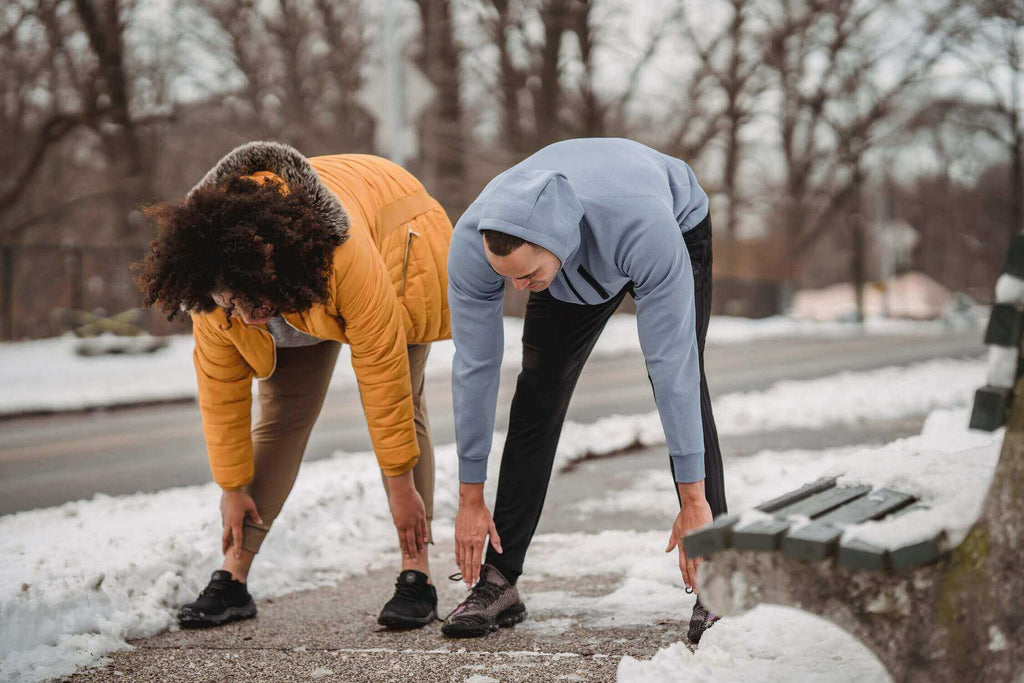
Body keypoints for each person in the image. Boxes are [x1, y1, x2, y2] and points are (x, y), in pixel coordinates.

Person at [134, 141, 452, 630]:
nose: (244, 319)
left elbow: (382, 377)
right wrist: (232, 487)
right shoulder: (211, 287)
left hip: (396, 236)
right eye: (231, 306)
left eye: (251, 304)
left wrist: (401, 486)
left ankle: (417, 576)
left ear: (274, 277)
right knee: (282, 416)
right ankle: (232, 578)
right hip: (294, 279)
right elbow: (222, 394)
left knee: (405, 404)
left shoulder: (342, 258)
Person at [444, 137, 726, 643]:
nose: (516, 289)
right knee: (537, 395)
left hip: (669, 223)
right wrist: (470, 496)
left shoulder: (643, 229)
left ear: (558, 244)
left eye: (527, 275)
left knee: (687, 380)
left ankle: (718, 579)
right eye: (506, 276)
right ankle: (500, 579)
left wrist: (692, 502)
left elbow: (672, 369)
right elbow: (475, 367)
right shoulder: (476, 241)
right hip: (575, 247)